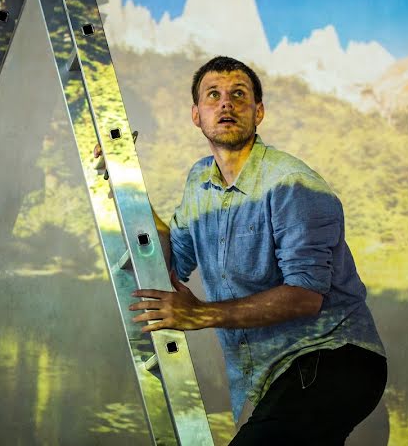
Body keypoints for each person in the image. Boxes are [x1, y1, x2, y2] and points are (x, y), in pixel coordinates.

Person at [128, 56, 386, 445]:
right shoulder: (200, 181)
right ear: (196, 115)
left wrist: (200, 314)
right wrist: (126, 182)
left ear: (258, 112)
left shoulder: (292, 184)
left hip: (333, 358)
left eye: (238, 95)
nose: (226, 103)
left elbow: (304, 296)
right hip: (277, 376)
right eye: (213, 95)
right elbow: (171, 261)